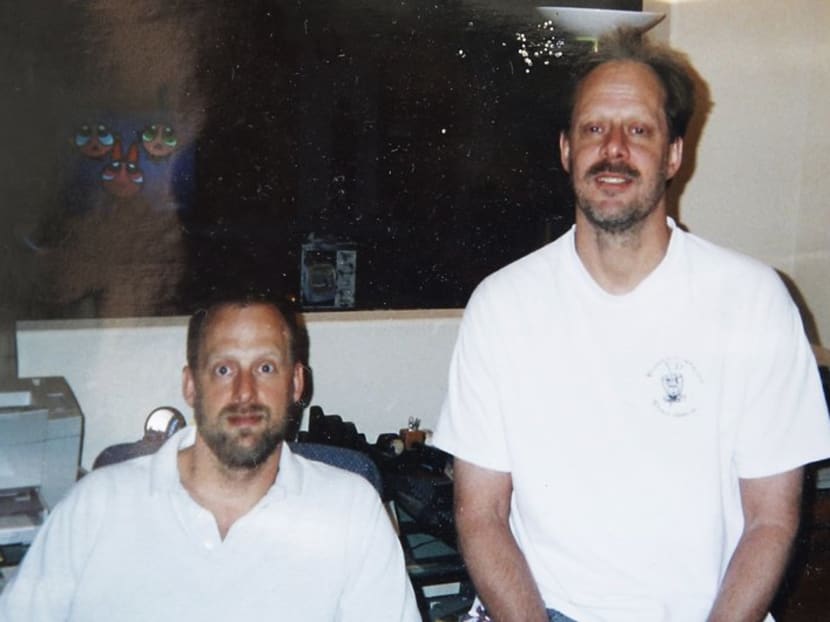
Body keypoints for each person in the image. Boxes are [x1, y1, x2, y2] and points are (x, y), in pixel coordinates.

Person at [434, 27, 830, 622]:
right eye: (594, 128)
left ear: (674, 154)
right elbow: (480, 513)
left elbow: (771, 520)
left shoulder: (753, 301)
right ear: (567, 149)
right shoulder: (503, 306)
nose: (613, 148)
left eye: (638, 130)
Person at [0, 294, 419, 621]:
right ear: (190, 386)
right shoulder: (96, 507)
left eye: (266, 368)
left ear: (296, 383)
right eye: (223, 369)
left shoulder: (350, 512)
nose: (244, 391)